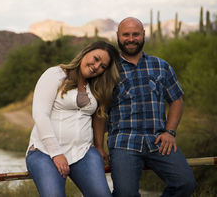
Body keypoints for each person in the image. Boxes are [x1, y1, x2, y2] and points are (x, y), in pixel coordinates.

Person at [93, 17, 197, 197]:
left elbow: (176, 100)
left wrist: (170, 132)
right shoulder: (108, 69)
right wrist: (99, 147)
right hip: (123, 142)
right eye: (126, 34)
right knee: (125, 194)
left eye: (136, 34)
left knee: (185, 183)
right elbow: (100, 112)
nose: (131, 39)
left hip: (158, 141)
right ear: (118, 36)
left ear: (143, 35)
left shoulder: (161, 66)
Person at [26, 40, 120, 197]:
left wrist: (99, 147)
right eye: (96, 59)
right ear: (85, 52)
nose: (97, 66)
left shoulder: (96, 86)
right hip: (45, 152)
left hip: (82, 152)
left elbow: (99, 115)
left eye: (102, 66)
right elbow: (40, 115)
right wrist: (56, 153)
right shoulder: (56, 74)